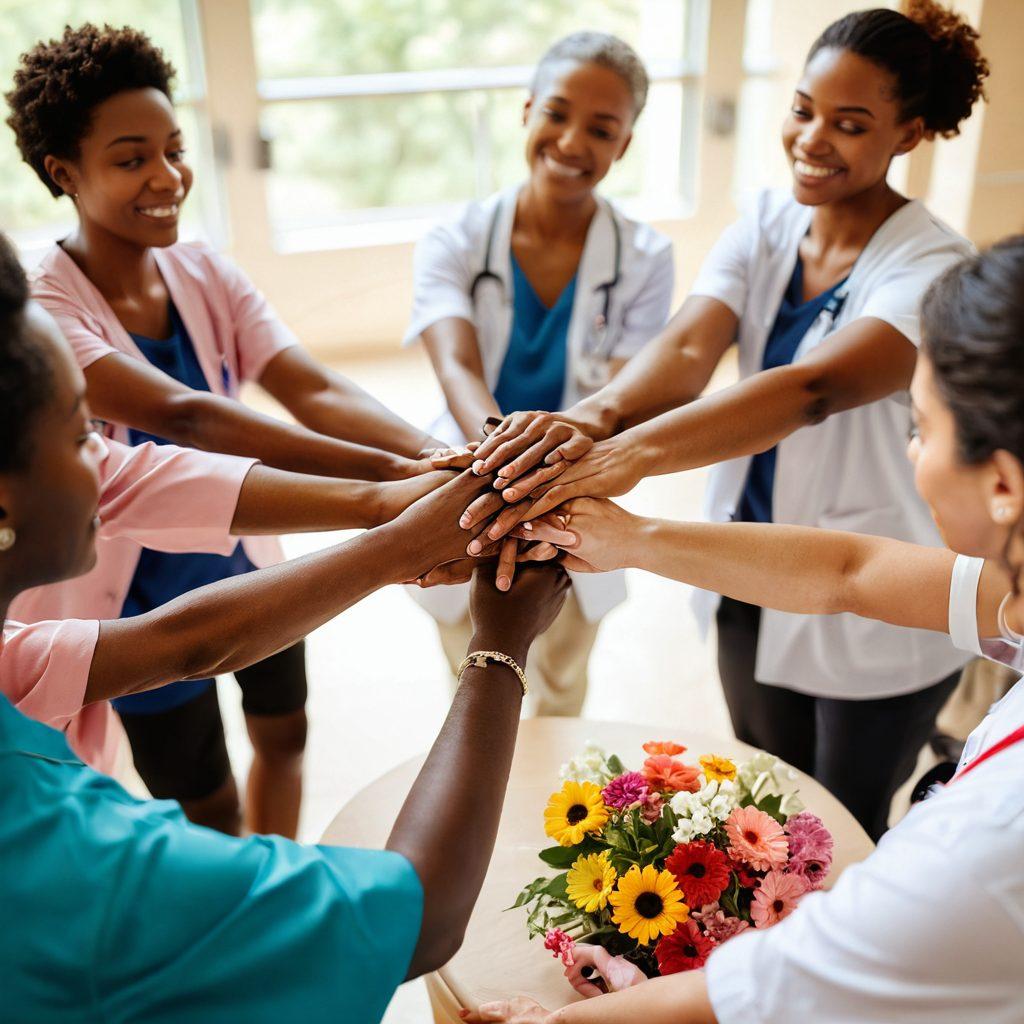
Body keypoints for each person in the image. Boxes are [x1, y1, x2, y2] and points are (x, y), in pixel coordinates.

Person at [459, 238, 1024, 1024]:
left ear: (1002, 483)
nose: (909, 449)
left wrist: (549, 1022)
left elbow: (772, 988)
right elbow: (850, 573)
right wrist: (630, 537)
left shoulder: (987, 840)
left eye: (920, 428)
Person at [460, 1, 990, 838]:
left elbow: (809, 388)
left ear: (909, 134)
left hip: (877, 593)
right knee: (770, 800)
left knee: (847, 818)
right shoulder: (769, 223)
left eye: (850, 124)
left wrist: (626, 458)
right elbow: (684, 350)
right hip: (749, 559)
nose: (813, 140)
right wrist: (589, 421)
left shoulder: (931, 265)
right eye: (803, 111)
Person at [0, 249, 571, 1021]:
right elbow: (419, 914)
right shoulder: (70, 845)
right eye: (80, 437)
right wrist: (499, 644)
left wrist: (397, 512)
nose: (106, 465)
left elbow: (182, 642)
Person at [4, 23, 446, 829]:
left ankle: (270, 875)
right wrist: (388, 482)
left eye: (174, 149)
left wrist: (432, 452)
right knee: (205, 800)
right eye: (132, 158)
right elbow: (187, 415)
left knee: (286, 737)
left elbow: (307, 382)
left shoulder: (203, 268)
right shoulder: (44, 307)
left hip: (246, 562)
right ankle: (242, 910)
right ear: (62, 171)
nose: (167, 176)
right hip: (139, 605)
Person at [405, 31, 674, 715]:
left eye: (602, 128)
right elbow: (456, 366)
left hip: (577, 483)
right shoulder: (455, 239)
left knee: (560, 679)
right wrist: (505, 465)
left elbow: (621, 397)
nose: (572, 140)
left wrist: (541, 483)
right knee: (469, 677)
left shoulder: (645, 257)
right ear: (526, 112)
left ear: (625, 145)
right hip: (472, 474)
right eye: (556, 113)